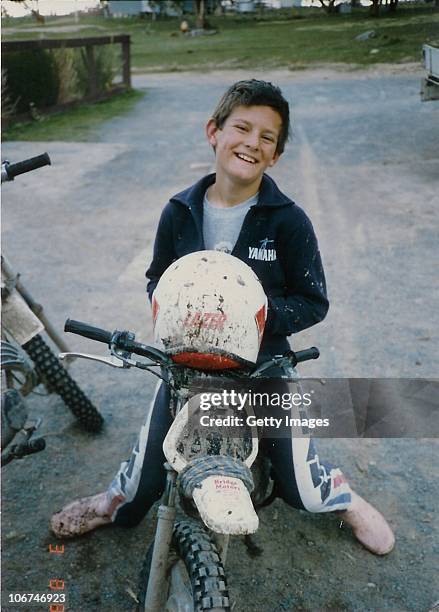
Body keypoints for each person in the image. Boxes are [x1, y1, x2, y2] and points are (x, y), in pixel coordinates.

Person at [51, 80, 394, 555]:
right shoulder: (178, 211)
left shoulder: (288, 221)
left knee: (299, 488)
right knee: (146, 481)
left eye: (268, 137)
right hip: (186, 362)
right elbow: (158, 279)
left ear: (275, 156)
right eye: (242, 128)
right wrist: (178, 311)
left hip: (264, 365)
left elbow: (314, 301)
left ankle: (343, 496)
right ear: (214, 132)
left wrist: (253, 320)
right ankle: (109, 502)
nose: (253, 142)